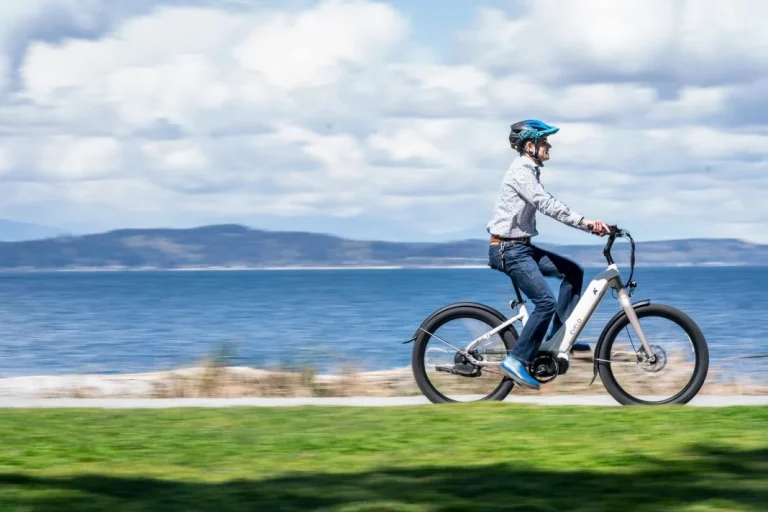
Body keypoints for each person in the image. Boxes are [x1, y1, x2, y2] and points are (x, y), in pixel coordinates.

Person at [486, 119, 610, 390]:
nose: (549, 146)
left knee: (573, 271)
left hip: (521, 247)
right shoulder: (521, 171)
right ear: (529, 146)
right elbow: (545, 203)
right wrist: (586, 223)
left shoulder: (530, 170)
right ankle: (516, 359)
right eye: (544, 142)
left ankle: (557, 336)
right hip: (508, 250)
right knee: (545, 302)